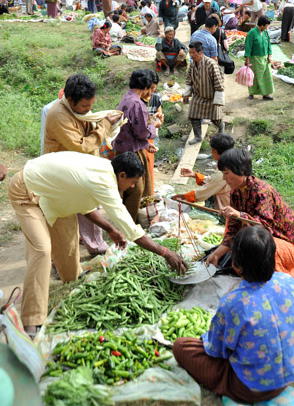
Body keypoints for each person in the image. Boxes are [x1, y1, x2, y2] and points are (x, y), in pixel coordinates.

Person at [8, 151, 187, 335]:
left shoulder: (103, 170)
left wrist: (110, 229)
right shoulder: (104, 182)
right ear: (122, 175)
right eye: (132, 182)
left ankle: (72, 282)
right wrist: (165, 252)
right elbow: (132, 231)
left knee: (68, 239)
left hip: (53, 196)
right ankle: (32, 320)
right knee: (42, 250)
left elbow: (86, 207)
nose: (132, 187)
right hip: (27, 189)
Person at [173, 226, 294, 404]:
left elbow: (216, 350)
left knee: (181, 346)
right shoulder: (289, 282)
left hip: (251, 387)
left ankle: (233, 386)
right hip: (289, 373)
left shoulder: (233, 302)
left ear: (236, 264)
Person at [43, 74, 123, 256]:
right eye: (85, 106)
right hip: (61, 172)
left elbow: (89, 132)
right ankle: (61, 262)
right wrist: (103, 126)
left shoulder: (77, 111)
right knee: (64, 220)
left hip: (81, 168)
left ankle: (96, 246)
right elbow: (80, 145)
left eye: (91, 106)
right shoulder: (58, 115)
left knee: (89, 205)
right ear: (70, 100)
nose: (89, 110)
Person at [206, 149, 294, 280]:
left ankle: (270, 282)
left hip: (293, 247)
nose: (224, 178)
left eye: (226, 173)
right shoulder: (235, 193)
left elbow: (262, 228)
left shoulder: (263, 192)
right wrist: (216, 255)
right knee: (237, 234)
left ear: (241, 171)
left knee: (259, 245)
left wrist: (239, 214)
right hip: (269, 240)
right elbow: (233, 228)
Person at [113, 70, 159, 221]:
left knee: (122, 188)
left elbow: (132, 128)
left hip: (122, 149)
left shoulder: (127, 97)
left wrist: (145, 144)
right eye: (151, 88)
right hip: (131, 153)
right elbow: (142, 132)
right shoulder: (137, 103)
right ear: (145, 87)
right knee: (135, 189)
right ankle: (129, 224)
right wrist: (155, 125)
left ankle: (121, 221)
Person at [172, 134, 234, 210]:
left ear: (216, 151)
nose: (211, 153)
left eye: (213, 150)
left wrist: (183, 197)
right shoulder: (229, 163)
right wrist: (194, 175)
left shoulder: (223, 172)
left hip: (224, 207)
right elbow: (213, 181)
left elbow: (205, 191)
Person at [183, 41, 225, 145]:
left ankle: (221, 131)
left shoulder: (211, 64)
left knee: (216, 120)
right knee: (192, 115)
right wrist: (186, 94)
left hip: (211, 97)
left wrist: (219, 99)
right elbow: (189, 80)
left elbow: (219, 82)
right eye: (190, 53)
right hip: (198, 96)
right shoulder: (192, 65)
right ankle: (198, 137)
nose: (192, 55)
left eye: (194, 53)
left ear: (201, 52)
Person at [244, 15, 274, 101]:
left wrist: (269, 55)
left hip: (265, 58)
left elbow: (268, 44)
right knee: (255, 77)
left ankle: (266, 94)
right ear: (262, 25)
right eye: (266, 26)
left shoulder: (265, 32)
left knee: (266, 76)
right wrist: (247, 60)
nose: (267, 27)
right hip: (255, 58)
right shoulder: (251, 33)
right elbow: (248, 47)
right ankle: (252, 93)